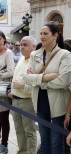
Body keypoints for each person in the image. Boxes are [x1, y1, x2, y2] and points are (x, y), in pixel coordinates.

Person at [23, 22, 71, 154]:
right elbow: (26, 78)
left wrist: (37, 79)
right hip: (40, 103)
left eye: (46, 33)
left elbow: (63, 82)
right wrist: (45, 77)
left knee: (56, 143)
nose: (42, 36)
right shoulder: (35, 54)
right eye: (41, 34)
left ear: (55, 35)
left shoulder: (65, 55)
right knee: (44, 141)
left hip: (57, 105)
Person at [9, 36, 37, 154]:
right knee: (19, 130)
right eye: (21, 45)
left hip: (27, 101)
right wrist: (12, 91)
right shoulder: (21, 59)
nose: (22, 47)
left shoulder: (36, 62)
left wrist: (23, 87)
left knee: (29, 131)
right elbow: (15, 77)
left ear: (33, 47)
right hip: (15, 100)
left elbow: (38, 85)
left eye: (25, 45)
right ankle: (22, 151)